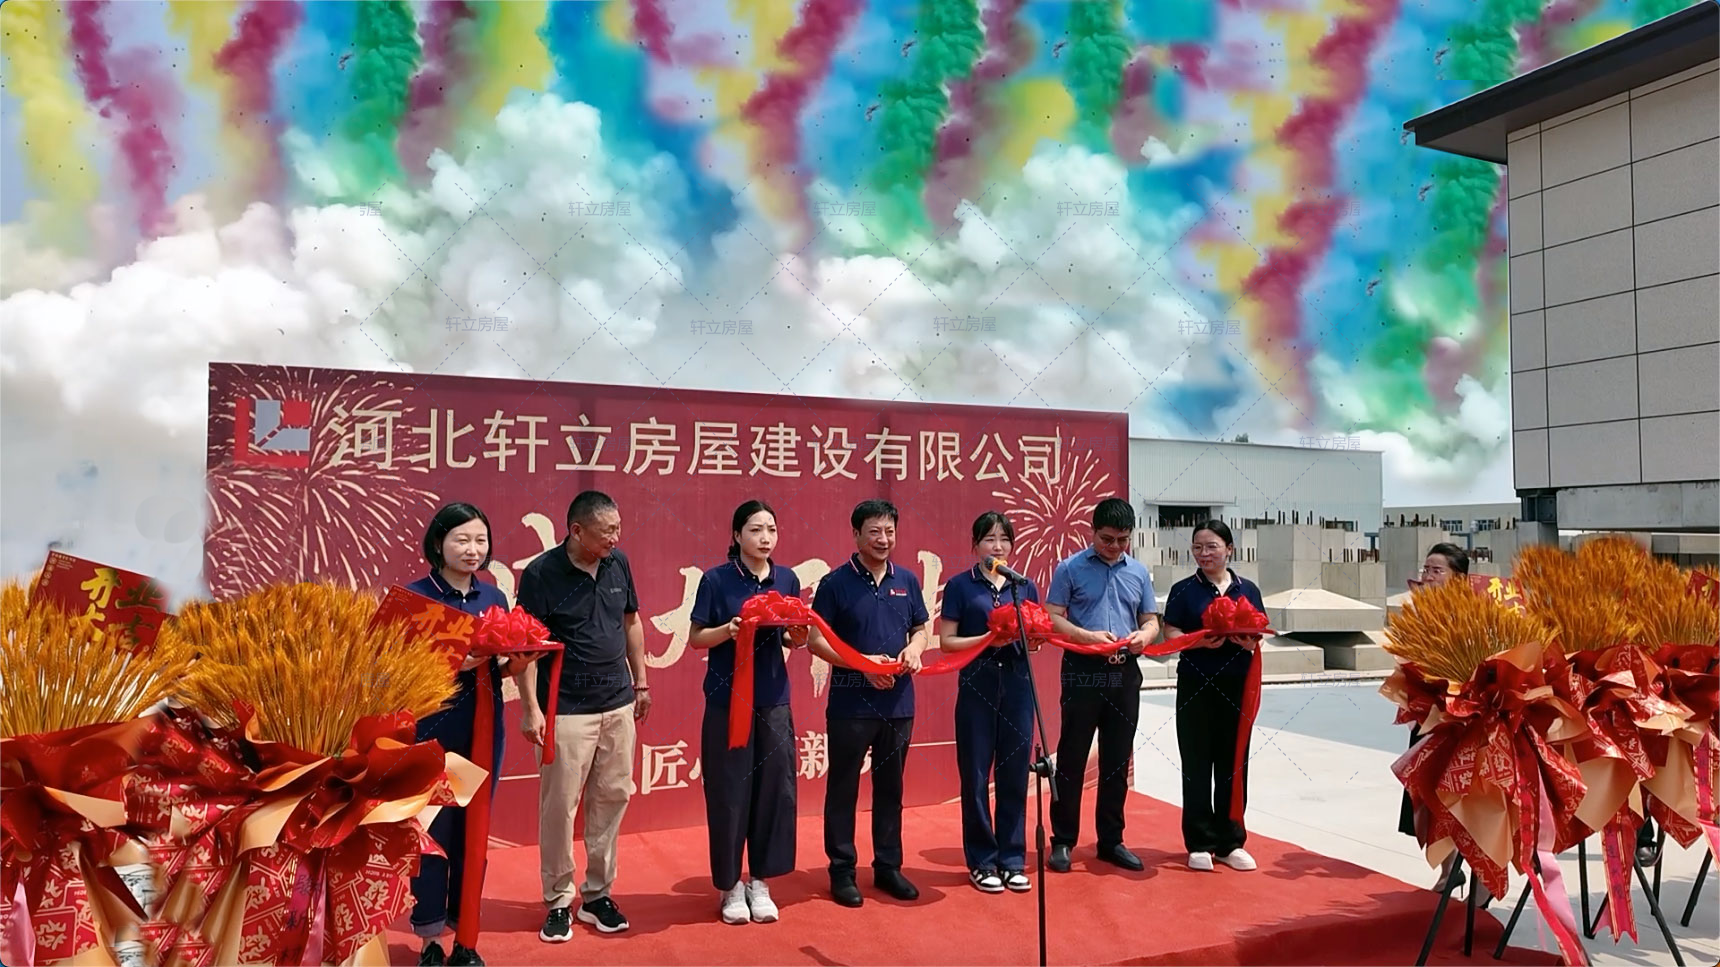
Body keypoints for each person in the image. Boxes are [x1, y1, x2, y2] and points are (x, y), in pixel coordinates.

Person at [517, 491, 651, 942]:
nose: (616, 538)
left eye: (618, 528)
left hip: (617, 702)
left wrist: (641, 682)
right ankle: (558, 899)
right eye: (606, 531)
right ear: (577, 531)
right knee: (560, 807)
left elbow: (631, 622)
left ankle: (597, 895)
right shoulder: (541, 573)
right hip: (566, 708)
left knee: (613, 797)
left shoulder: (618, 563)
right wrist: (531, 709)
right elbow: (526, 646)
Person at [407, 503, 534, 966]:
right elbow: (391, 671)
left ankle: (466, 938)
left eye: (480, 540)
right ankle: (429, 940)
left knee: (473, 832)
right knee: (432, 833)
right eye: (461, 539)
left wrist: (517, 663)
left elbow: (499, 667)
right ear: (438, 543)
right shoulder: (415, 598)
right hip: (431, 733)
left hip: (483, 729)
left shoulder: (493, 597)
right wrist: (452, 664)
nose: (472, 549)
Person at [804, 499, 930, 908]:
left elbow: (921, 629)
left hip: (898, 703)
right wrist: (862, 665)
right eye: (874, 531)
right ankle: (842, 870)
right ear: (856, 534)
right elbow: (815, 640)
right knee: (844, 788)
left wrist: (915, 649)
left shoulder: (906, 580)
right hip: (851, 705)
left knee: (891, 788)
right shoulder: (835, 583)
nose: (883, 539)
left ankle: (888, 866)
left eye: (889, 531)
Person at [687, 500, 807, 924]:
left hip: (773, 699)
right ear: (737, 535)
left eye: (771, 529)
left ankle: (761, 881)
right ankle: (730, 885)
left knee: (775, 790)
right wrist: (730, 629)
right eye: (756, 530)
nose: (765, 538)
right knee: (729, 791)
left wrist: (798, 635)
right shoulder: (716, 580)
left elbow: (792, 638)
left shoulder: (787, 579)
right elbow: (697, 637)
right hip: (728, 701)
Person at [1044, 497, 1158, 874]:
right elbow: (1051, 616)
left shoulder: (1137, 572)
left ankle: (1111, 840)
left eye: (1123, 540)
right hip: (1083, 670)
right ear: (1092, 532)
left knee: (1117, 759)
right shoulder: (1070, 568)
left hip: (1124, 673)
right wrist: (1085, 636)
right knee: (1072, 756)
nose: (1114, 546)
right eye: (1107, 539)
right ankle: (1063, 840)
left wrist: (1145, 635)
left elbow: (1151, 620)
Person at [937, 511, 1039, 894]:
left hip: (1017, 683)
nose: (997, 547)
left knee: (1015, 772)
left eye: (1004, 539)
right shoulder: (960, 586)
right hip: (977, 682)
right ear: (975, 545)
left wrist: (1034, 637)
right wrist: (987, 639)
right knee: (976, 773)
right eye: (989, 539)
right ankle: (982, 861)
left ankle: (1012, 859)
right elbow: (947, 642)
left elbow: (1034, 637)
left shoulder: (1023, 586)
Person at [1160, 520, 1265, 873]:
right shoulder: (1183, 589)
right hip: (1196, 685)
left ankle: (1230, 842)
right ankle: (1199, 842)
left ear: (1229, 549)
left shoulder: (1247, 589)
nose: (1204, 554)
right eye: (1198, 547)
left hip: (1237, 686)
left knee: (1233, 763)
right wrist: (1197, 641)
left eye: (1212, 547)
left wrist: (1248, 642)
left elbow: (1258, 631)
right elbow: (1170, 630)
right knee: (1196, 763)